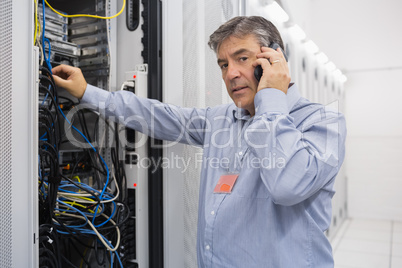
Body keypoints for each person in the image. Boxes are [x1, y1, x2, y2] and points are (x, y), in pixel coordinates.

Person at [53, 16, 346, 268]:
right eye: (223, 64)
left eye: (242, 59)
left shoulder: (322, 123)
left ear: (274, 59)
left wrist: (271, 98)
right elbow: (158, 115)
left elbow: (286, 184)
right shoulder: (222, 120)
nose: (230, 74)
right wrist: (87, 92)